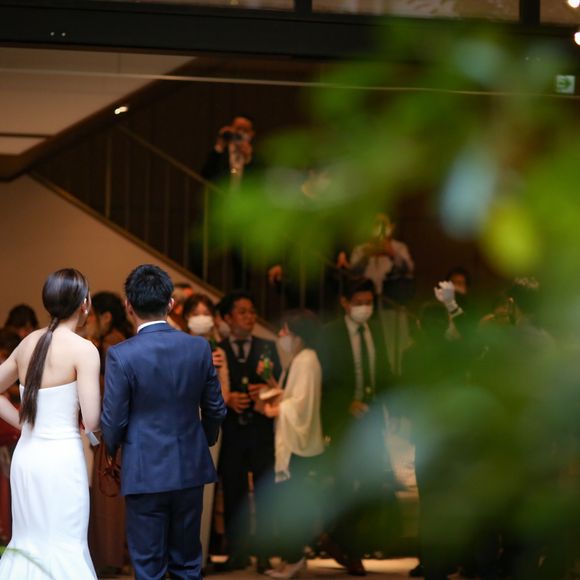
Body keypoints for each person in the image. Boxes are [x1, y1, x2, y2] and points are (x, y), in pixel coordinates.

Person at [101, 264, 226, 580]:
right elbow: (215, 407)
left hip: (144, 470)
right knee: (187, 563)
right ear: (171, 303)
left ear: (129, 305)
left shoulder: (121, 354)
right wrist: (205, 439)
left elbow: (114, 418)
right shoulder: (198, 347)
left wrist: (112, 450)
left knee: (148, 566)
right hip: (189, 467)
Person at [0, 268, 101, 579]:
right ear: (84, 303)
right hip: (62, 459)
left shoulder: (27, 342)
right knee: (66, 545)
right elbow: (92, 420)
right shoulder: (84, 349)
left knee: (27, 544)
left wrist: (23, 422)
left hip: (27, 456)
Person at [319, 277, 394, 577]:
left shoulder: (376, 330)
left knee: (372, 486)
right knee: (346, 485)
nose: (365, 308)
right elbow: (324, 380)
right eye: (359, 303)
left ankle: (337, 538)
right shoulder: (330, 334)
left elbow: (383, 372)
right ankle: (350, 549)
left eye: (369, 303)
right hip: (343, 421)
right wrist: (345, 405)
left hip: (372, 420)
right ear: (345, 303)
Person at [217, 290, 282, 573]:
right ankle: (237, 552)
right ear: (228, 318)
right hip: (231, 432)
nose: (249, 317)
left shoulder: (267, 347)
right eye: (242, 312)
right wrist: (228, 398)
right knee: (234, 493)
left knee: (266, 492)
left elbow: (279, 385)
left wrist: (264, 391)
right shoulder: (217, 349)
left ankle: (265, 552)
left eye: (252, 311)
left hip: (261, 431)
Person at [260, 310, 325, 579]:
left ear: (299, 335)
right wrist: (272, 386)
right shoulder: (300, 359)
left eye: (285, 330)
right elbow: (293, 395)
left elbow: (301, 403)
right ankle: (292, 557)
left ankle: (294, 557)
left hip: (297, 446)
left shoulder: (306, 360)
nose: (281, 335)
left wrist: (276, 410)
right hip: (294, 442)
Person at [87, 291, 134, 576]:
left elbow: (111, 392)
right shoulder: (119, 339)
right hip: (118, 428)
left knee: (110, 494)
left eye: (91, 314)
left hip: (111, 429)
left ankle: (111, 556)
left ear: (105, 317)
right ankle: (115, 555)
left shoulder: (110, 344)